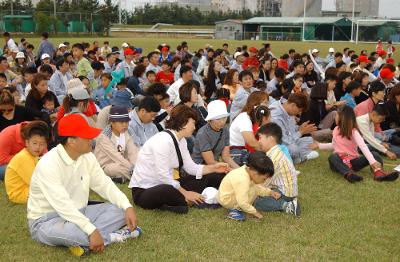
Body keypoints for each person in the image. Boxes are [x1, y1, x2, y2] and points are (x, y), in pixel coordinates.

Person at [27, 114, 141, 256]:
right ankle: (111, 236)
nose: (91, 140)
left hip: (81, 211)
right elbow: (62, 204)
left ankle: (86, 240)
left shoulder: (87, 156)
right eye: (86, 136)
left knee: (120, 210)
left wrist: (127, 206)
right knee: (76, 233)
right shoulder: (48, 164)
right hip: (47, 220)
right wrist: (90, 230)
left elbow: (104, 184)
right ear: (71, 141)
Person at [129, 105, 229, 214]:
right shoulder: (163, 141)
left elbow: (191, 168)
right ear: (184, 123)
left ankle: (182, 202)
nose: (194, 127)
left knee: (210, 176)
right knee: (167, 190)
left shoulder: (181, 141)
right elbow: (163, 175)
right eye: (193, 124)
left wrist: (214, 168)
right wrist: (186, 193)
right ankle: (183, 201)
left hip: (169, 183)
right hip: (146, 190)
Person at [312, 106, 398, 183]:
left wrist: (373, 162)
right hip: (340, 163)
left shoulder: (354, 131)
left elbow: (363, 146)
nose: (335, 117)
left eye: (337, 115)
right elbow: (334, 144)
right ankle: (349, 174)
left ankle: (379, 173)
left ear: (343, 117)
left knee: (375, 155)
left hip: (353, 162)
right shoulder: (335, 130)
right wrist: (319, 145)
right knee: (333, 157)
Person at [254, 123, 300, 217]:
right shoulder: (275, 152)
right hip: (284, 190)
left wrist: (254, 190)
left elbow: (266, 180)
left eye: (260, 137)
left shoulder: (274, 157)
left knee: (257, 202)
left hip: (284, 192)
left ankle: (287, 205)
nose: (259, 141)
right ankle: (286, 202)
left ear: (270, 138)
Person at [217, 151, 278, 221]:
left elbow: (258, 188)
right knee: (252, 191)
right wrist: (255, 213)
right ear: (255, 173)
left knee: (254, 188)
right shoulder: (243, 179)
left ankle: (240, 209)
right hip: (227, 200)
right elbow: (242, 202)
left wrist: (270, 192)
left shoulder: (247, 171)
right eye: (264, 179)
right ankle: (235, 211)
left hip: (228, 195)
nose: (264, 181)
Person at [5, 121, 48, 204]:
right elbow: (37, 183)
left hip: (27, 188)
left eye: (42, 144)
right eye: (34, 143)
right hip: (19, 193)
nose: (38, 147)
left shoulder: (32, 155)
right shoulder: (23, 158)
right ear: (27, 142)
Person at [270, 93, 318, 164]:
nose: (299, 113)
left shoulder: (287, 108)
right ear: (293, 105)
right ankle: (299, 158)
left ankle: (297, 158)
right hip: (278, 144)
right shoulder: (276, 116)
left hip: (288, 141)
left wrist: (299, 128)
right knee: (294, 149)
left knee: (309, 140)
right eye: (299, 110)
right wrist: (301, 132)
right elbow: (285, 140)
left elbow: (289, 130)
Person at [94, 106, 138, 183]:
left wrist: (136, 166)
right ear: (112, 122)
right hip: (107, 166)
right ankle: (138, 177)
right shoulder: (104, 137)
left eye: (127, 122)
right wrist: (132, 168)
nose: (125, 125)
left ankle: (122, 178)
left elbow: (132, 152)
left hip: (123, 162)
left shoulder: (127, 133)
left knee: (139, 156)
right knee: (120, 169)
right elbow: (116, 156)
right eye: (121, 122)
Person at [192, 100, 238, 170]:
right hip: (199, 168)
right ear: (210, 119)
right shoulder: (203, 134)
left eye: (224, 118)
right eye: (218, 119)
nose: (222, 122)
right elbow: (210, 162)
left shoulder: (225, 130)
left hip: (215, 166)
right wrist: (231, 170)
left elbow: (226, 157)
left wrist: (238, 169)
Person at [229, 91, 268, 165]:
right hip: (236, 153)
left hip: (242, 151)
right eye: (265, 103)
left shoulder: (252, 118)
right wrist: (269, 153)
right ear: (256, 104)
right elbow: (252, 142)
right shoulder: (244, 118)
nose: (267, 106)